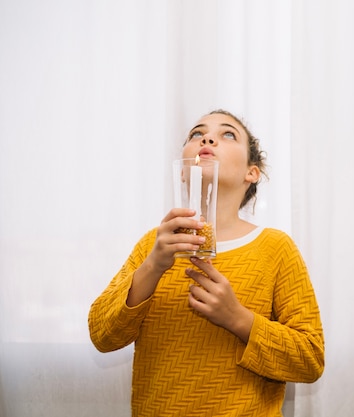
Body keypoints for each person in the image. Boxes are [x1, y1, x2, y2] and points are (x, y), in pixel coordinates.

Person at [88, 109, 325, 416]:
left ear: (251, 172)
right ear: (184, 170)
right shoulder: (154, 244)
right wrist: (154, 266)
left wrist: (237, 318)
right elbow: (102, 336)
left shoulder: (275, 248)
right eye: (196, 134)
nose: (207, 138)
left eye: (228, 134)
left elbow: (310, 359)